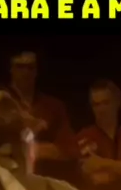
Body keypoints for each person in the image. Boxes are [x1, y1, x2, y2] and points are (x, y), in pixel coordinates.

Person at [8, 51, 79, 181]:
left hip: (43, 182)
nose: (25, 72)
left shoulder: (53, 106)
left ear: (36, 71)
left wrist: (29, 150)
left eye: (30, 67)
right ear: (11, 69)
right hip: (7, 182)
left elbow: (70, 149)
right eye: (20, 67)